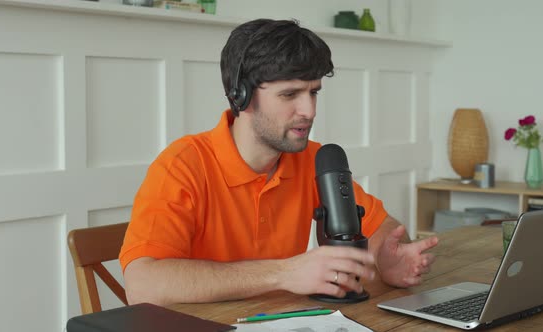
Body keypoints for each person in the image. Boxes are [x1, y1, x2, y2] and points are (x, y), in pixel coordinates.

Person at [120, 18, 438, 306]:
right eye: (290, 95)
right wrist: (283, 274)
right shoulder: (182, 165)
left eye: (314, 93)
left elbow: (383, 225)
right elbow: (144, 284)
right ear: (240, 95)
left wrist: (385, 258)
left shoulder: (313, 159)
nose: (309, 110)